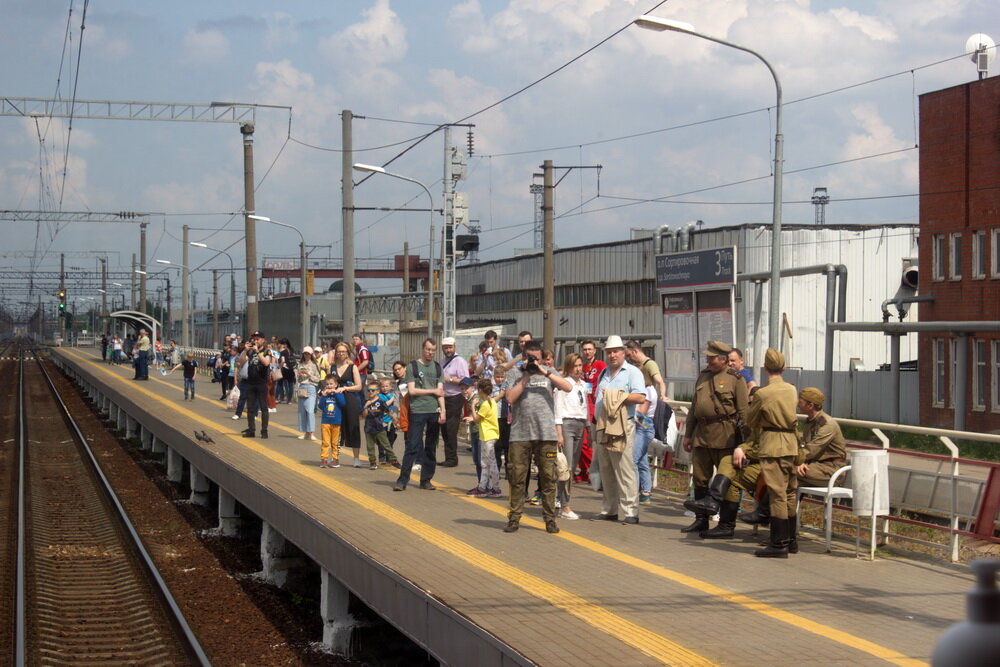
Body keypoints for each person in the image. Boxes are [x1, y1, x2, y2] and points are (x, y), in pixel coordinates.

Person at [501, 340, 572, 534]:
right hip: (520, 434)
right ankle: (514, 518)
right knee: (517, 478)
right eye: (530, 358)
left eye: (537, 358)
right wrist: (525, 376)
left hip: (546, 434)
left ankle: (550, 520)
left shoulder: (549, 372)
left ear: (542, 358)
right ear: (524, 357)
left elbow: (568, 387)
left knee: (549, 479)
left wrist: (544, 371)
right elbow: (509, 398)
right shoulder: (515, 373)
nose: (533, 362)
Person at [680, 340, 749, 533]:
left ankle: (726, 525)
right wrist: (688, 435)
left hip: (725, 437)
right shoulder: (703, 376)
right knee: (700, 479)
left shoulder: (736, 379)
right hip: (701, 436)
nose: (708, 361)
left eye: (711, 358)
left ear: (723, 359)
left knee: (726, 481)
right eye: (707, 357)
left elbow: (744, 412)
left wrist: (744, 444)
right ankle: (701, 520)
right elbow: (694, 408)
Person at [749, 348, 800, 558]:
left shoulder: (762, 393)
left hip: (772, 444)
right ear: (784, 367)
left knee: (777, 495)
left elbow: (750, 420)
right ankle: (791, 541)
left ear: (765, 368)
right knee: (789, 492)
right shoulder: (792, 390)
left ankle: (778, 545)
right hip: (791, 443)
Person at [592, 335, 646, 525]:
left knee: (624, 467)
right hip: (603, 425)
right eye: (609, 352)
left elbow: (640, 397)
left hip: (623, 425)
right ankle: (609, 509)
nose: (612, 355)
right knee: (605, 468)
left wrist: (617, 396)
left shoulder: (632, 372)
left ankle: (631, 511)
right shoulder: (604, 373)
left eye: (616, 351)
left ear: (624, 352)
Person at [394, 338, 446, 491]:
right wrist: (432, 391)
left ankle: (426, 480)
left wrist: (443, 410)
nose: (430, 353)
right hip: (417, 410)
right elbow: (412, 390)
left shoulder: (437, 368)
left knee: (431, 446)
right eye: (428, 349)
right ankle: (402, 480)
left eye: (433, 350)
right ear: (423, 349)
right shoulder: (413, 367)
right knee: (412, 445)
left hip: (434, 411)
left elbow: (440, 392)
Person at [554, 353, 588, 520]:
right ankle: (565, 506)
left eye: (580, 365)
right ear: (568, 367)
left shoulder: (582, 385)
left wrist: (588, 426)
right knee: (565, 466)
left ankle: (561, 499)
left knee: (572, 466)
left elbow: (584, 407)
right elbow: (558, 408)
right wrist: (559, 432)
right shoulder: (563, 384)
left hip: (580, 423)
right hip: (567, 424)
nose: (578, 369)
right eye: (575, 365)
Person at [331, 341, 364, 467]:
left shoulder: (353, 367)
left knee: (353, 426)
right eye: (339, 351)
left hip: (350, 398)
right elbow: (329, 381)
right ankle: (335, 457)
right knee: (335, 428)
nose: (341, 354)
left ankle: (356, 458)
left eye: (343, 351)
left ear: (348, 353)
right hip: (336, 399)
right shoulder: (333, 367)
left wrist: (345, 389)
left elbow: (359, 386)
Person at [467, 377, 502, 498]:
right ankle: (485, 487)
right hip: (490, 435)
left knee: (489, 463)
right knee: (487, 462)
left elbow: (477, 419)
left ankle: (494, 488)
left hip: (487, 436)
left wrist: (473, 406)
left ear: (481, 390)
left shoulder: (485, 404)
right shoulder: (492, 401)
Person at [439, 336, 470, 468]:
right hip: (443, 397)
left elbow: (466, 381)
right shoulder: (441, 362)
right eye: (445, 348)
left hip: (455, 397)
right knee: (444, 428)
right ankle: (448, 457)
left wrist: (450, 379)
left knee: (451, 428)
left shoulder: (460, 361)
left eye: (450, 347)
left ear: (454, 347)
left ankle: (452, 458)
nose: (448, 350)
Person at [578, 339, 605, 483]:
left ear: (595, 351)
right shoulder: (581, 366)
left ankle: (594, 471)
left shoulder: (600, 365)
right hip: (582, 404)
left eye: (589, 349)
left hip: (595, 405)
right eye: (585, 349)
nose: (587, 352)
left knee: (588, 442)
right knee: (581, 442)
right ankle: (584, 471)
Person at [240, 332, 272, 439]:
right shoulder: (250, 352)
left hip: (262, 383)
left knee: (263, 408)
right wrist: (245, 350)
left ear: (263, 340)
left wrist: (258, 352)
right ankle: (251, 430)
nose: (255, 341)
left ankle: (264, 431)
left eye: (258, 339)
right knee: (250, 408)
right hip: (251, 382)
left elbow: (266, 363)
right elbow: (241, 362)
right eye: (254, 339)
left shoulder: (267, 351)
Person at [363, 381, 400, 470]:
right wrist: (365, 406)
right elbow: (364, 415)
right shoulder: (367, 402)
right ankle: (372, 462)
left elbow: (388, 412)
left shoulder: (381, 401)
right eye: (369, 390)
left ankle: (394, 460)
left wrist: (395, 421)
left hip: (379, 426)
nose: (370, 392)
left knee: (386, 444)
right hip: (369, 427)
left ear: (377, 391)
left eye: (372, 390)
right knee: (370, 446)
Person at [625, 340, 668, 404]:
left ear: (635, 351)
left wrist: (663, 396)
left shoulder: (650, 364)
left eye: (629, 355)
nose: (628, 359)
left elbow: (660, 382)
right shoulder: (635, 366)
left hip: (647, 401)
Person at [317, 376, 346, 468]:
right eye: (327, 384)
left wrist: (336, 393)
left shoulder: (340, 394)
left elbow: (343, 404)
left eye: (331, 384)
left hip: (336, 422)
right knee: (325, 442)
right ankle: (324, 459)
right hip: (325, 421)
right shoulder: (325, 395)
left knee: (335, 442)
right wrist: (323, 396)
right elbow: (320, 406)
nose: (329, 386)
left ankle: (335, 459)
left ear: (336, 385)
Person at [296, 346, 321, 441]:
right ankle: (305, 432)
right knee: (302, 411)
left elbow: (318, 379)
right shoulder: (300, 364)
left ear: (311, 355)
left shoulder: (315, 364)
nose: (306, 355)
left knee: (310, 410)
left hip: (311, 387)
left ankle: (311, 432)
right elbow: (298, 379)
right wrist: (300, 374)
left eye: (308, 353)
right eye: (305, 353)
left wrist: (308, 374)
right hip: (302, 386)